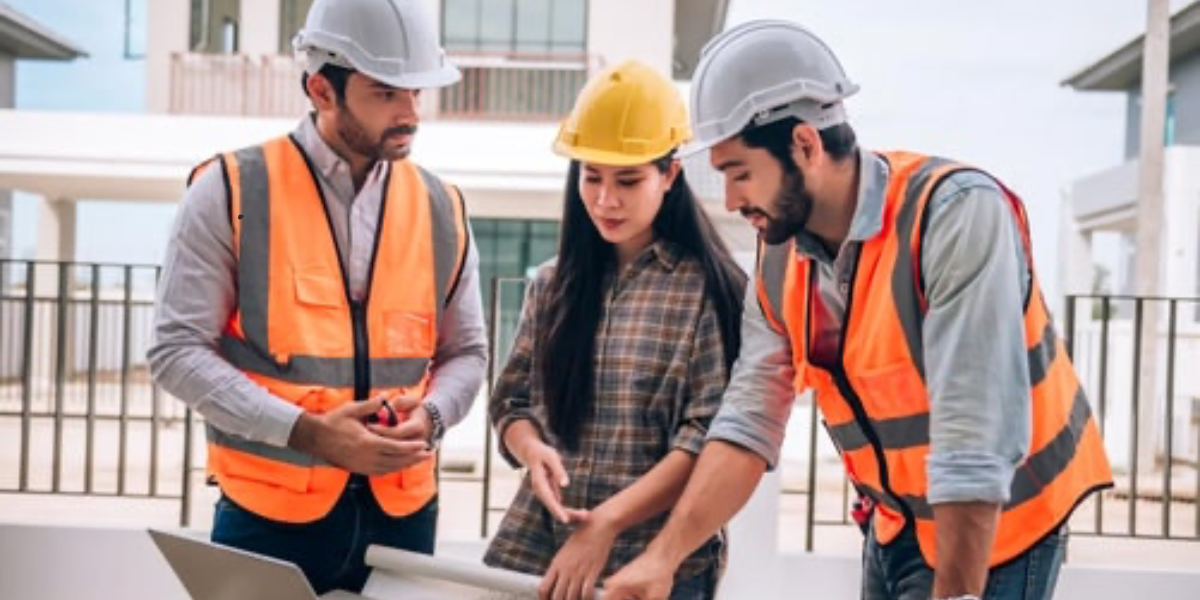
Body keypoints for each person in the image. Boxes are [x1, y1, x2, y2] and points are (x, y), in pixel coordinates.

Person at [603, 20, 1113, 600]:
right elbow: (748, 420)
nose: (731, 200)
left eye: (740, 173)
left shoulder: (954, 215)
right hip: (895, 521)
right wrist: (662, 559)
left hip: (1000, 522)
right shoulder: (779, 257)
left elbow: (972, 437)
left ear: (805, 144)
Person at [147, 0, 487, 593]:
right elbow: (176, 351)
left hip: (403, 517)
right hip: (267, 517)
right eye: (386, 92)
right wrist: (307, 431)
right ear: (321, 89)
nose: (410, 113)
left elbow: (468, 353)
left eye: (416, 93)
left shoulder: (442, 207)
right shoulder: (228, 190)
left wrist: (431, 417)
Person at [482, 60, 747, 600]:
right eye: (591, 176)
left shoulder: (706, 292)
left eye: (628, 180)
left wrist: (606, 522)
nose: (605, 200)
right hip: (544, 550)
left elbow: (705, 441)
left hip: (653, 567)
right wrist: (534, 452)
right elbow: (511, 404)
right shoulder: (553, 284)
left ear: (670, 175)